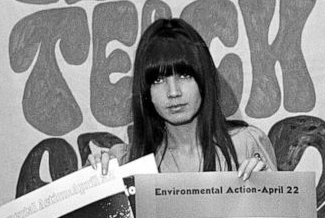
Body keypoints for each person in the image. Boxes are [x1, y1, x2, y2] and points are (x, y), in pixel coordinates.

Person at [88, 17, 276, 180]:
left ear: (203, 78)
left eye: (184, 76)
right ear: (145, 91)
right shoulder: (127, 163)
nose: (173, 92)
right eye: (158, 79)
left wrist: (272, 189)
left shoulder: (245, 143)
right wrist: (94, 183)